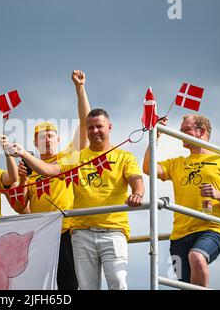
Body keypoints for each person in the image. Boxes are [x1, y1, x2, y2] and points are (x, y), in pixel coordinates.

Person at [8, 108, 144, 290]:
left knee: (118, 281)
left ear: (109, 127)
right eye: (91, 127)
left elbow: (136, 179)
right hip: (80, 232)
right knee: (86, 287)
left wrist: (138, 193)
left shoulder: (123, 156)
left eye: (99, 126)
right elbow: (48, 172)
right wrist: (24, 155)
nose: (95, 131)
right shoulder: (75, 158)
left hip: (112, 229)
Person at [142, 114, 220, 287]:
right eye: (181, 130)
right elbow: (148, 168)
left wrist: (218, 194)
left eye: (186, 130)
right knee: (185, 285)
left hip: (211, 229)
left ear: (202, 131)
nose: (181, 133)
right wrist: (155, 135)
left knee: (196, 257)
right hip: (179, 235)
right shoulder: (178, 163)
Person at [15, 70, 91, 290]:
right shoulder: (27, 167)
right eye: (41, 137)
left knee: (69, 285)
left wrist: (80, 89)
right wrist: (21, 180)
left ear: (58, 139)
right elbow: (21, 208)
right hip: (41, 234)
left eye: (50, 136)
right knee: (40, 286)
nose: (46, 140)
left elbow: (85, 123)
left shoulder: (69, 156)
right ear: (35, 143)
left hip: (68, 230)